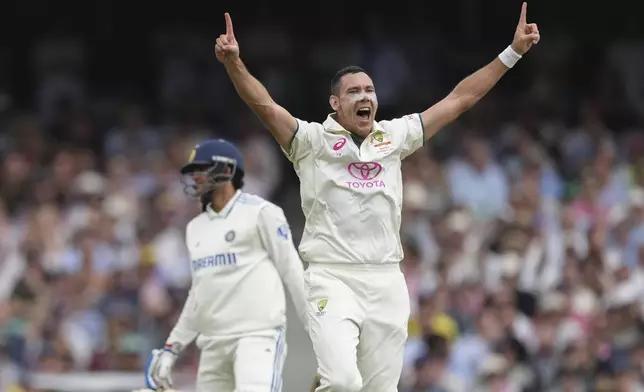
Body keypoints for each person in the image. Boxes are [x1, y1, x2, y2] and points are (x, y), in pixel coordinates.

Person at [215, 4, 540, 391]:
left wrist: (513, 52)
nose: (364, 96)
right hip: (331, 277)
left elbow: (459, 100)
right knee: (342, 381)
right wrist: (234, 64)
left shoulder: (395, 136)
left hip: (387, 279)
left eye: (369, 89)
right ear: (335, 104)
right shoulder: (311, 142)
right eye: (353, 91)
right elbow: (264, 106)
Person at [144, 139, 308, 392]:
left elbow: (292, 270)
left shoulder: (261, 213)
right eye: (193, 171)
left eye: (202, 170)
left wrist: (319, 328)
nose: (195, 177)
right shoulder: (195, 228)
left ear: (228, 171)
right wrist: (171, 347)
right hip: (213, 343)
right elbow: (199, 295)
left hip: (256, 335)